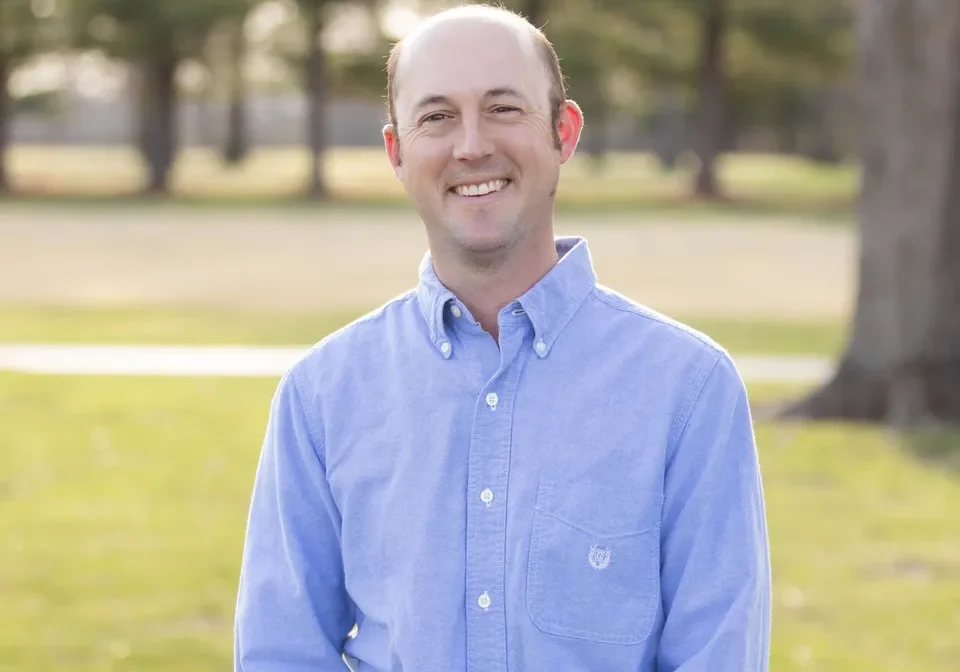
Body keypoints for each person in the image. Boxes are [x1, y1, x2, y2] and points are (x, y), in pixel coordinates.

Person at [233, 4, 772, 671]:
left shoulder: (687, 391)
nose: (471, 146)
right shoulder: (321, 396)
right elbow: (281, 653)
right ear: (397, 151)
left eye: (503, 109)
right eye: (436, 117)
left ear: (563, 133)